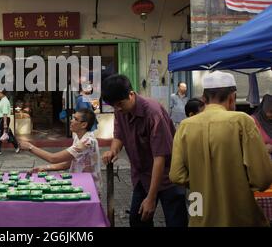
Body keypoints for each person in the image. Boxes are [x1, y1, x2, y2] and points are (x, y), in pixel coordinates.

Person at [170, 71, 272, 227]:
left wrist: (204, 181)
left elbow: (176, 175)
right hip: (239, 216)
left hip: (199, 211)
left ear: (204, 99)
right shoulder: (242, 121)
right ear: (232, 98)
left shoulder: (185, 126)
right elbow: (262, 179)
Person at [101, 74, 188, 227]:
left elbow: (160, 158)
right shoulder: (120, 110)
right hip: (142, 176)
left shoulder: (153, 113)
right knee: (137, 220)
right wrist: (113, 150)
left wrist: (151, 198)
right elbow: (119, 134)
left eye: (120, 104)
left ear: (131, 94)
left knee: (176, 222)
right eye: (114, 106)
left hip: (168, 177)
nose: (117, 109)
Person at [19, 108, 102, 193]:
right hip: (79, 183)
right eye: (73, 118)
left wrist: (30, 147)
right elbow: (69, 163)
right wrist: (45, 167)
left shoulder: (87, 142)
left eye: (75, 119)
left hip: (89, 187)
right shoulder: (78, 137)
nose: (71, 121)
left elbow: (54, 158)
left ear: (84, 125)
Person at [0, 90, 19, 155]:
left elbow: (5, 112)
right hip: (2, 119)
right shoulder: (2, 100)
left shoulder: (5, 101)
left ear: (2, 94)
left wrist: (5, 123)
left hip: (3, 119)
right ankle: (17, 146)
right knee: (8, 133)